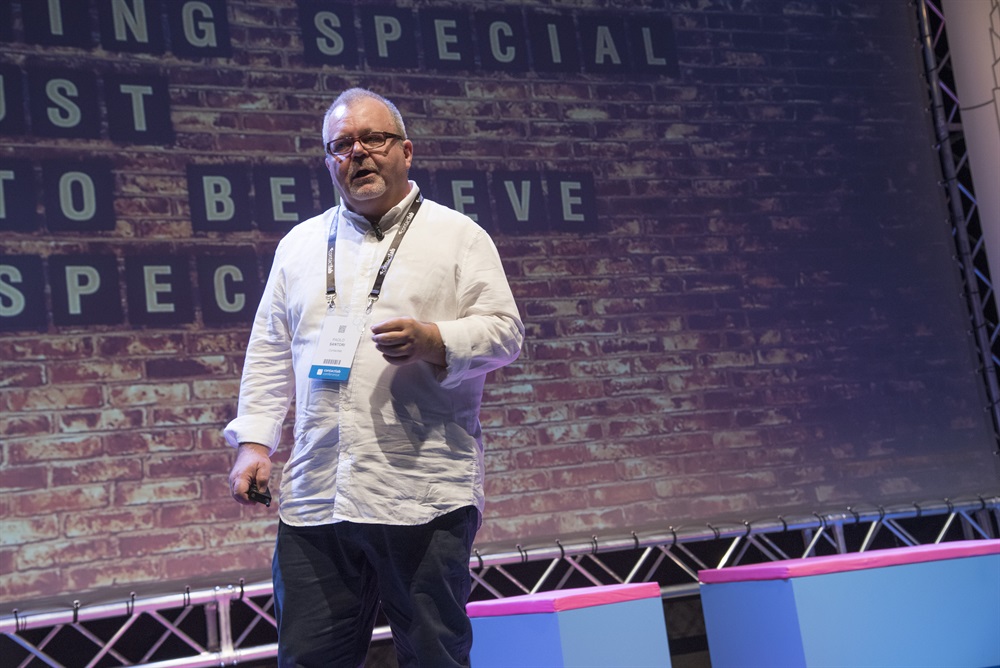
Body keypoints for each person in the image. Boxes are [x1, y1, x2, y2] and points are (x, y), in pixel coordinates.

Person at [224, 88, 524, 667]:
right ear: (328, 161)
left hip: (421, 493)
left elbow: (505, 332)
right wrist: (254, 444)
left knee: (434, 658)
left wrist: (435, 340)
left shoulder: (458, 236)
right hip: (316, 495)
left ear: (406, 151)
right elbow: (269, 349)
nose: (358, 152)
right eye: (342, 145)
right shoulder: (300, 245)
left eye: (374, 139)